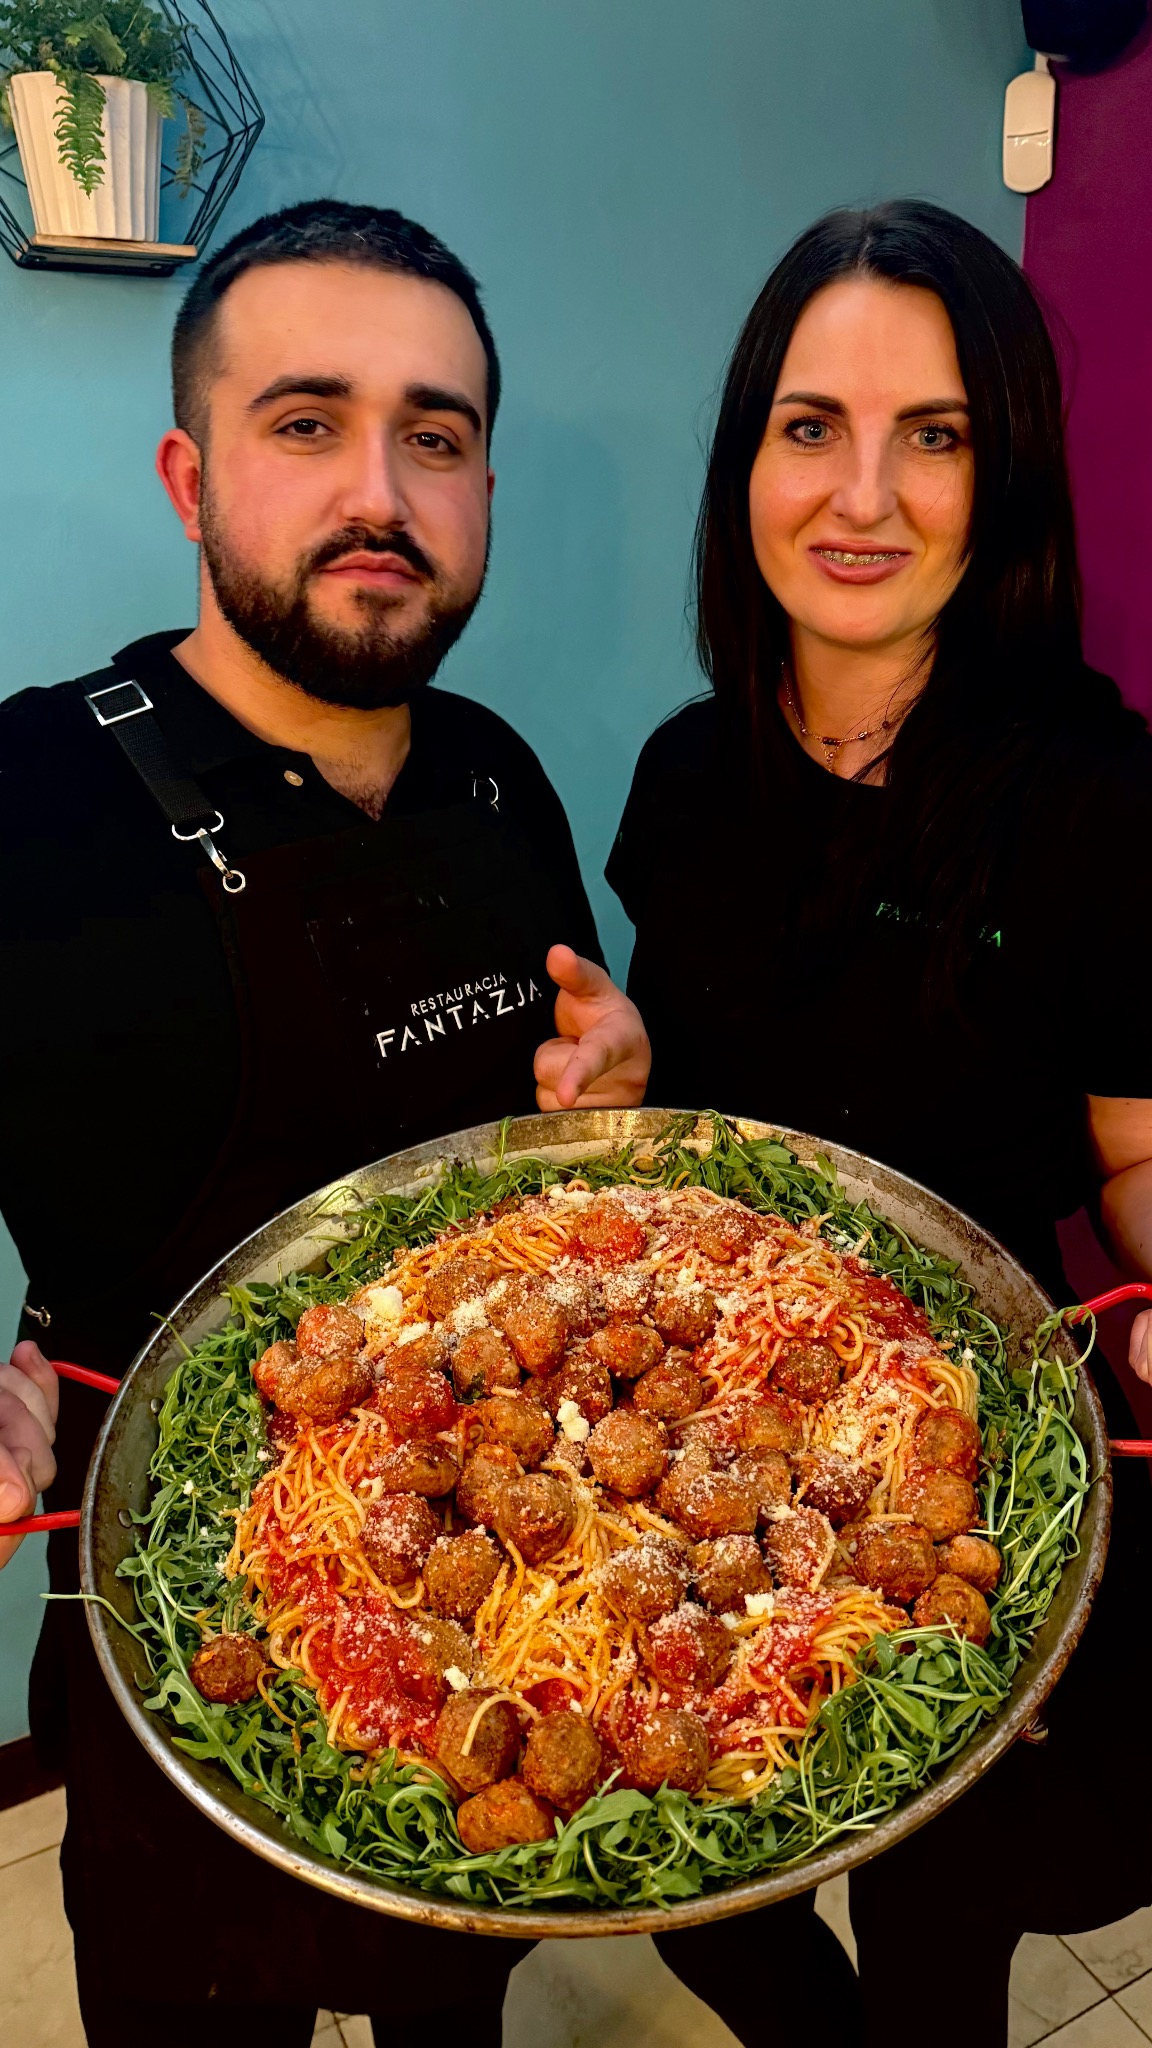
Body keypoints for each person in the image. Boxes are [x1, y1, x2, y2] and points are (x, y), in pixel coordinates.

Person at [0, 197, 649, 2047]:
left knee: (455, 1997)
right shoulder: (28, 798)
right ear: (190, 470)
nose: (381, 489)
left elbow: (550, 1121)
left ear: (484, 488)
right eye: (307, 424)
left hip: (490, 1604)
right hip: (183, 1625)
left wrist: (614, 1088)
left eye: (434, 438)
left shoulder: (497, 767)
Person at [608, 200, 1152, 2045]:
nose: (865, 496)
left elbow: (1136, 1153)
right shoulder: (685, 774)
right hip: (703, 1436)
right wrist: (621, 1087)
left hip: (968, 1472)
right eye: (809, 425)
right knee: (686, 1885)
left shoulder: (1095, 789)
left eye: (937, 435)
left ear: (1004, 478)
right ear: (747, 455)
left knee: (949, 1925)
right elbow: (692, 1095)